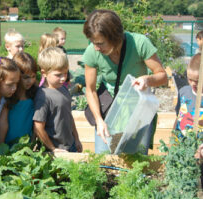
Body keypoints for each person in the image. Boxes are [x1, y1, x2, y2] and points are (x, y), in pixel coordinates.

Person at [82, 9, 167, 154]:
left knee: (137, 162)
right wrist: (99, 120)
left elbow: (162, 76)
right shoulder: (92, 52)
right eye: (92, 42)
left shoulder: (139, 43)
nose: (96, 48)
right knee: (104, 162)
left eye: (100, 43)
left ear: (115, 37)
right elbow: (90, 90)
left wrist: (148, 79)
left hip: (138, 112)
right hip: (110, 114)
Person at [33, 47, 83, 152]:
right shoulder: (43, 96)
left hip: (70, 145)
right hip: (55, 150)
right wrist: (53, 149)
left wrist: (77, 139)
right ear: (44, 73)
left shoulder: (63, 89)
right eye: (58, 75)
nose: (63, 78)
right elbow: (38, 127)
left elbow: (69, 116)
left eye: (65, 73)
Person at [0, 52, 38, 145]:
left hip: (26, 144)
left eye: (33, 76)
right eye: (25, 77)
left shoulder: (34, 94)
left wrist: (32, 141)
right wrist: (0, 145)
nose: (30, 81)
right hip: (7, 144)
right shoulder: (9, 95)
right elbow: (2, 124)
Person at [175, 53, 203, 135]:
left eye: (197, 81)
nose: (193, 83)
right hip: (181, 143)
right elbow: (178, 116)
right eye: (190, 79)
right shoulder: (183, 92)